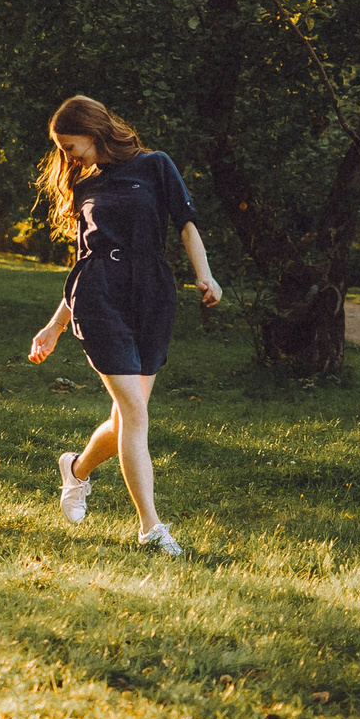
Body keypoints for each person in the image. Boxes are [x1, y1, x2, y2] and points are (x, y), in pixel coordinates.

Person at [26, 96, 221, 553]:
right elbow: (82, 263)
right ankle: (151, 528)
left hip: (152, 295)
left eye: (71, 146)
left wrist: (205, 275)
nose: (67, 157)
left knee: (126, 417)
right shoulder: (84, 187)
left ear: (94, 133)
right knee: (135, 413)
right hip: (99, 297)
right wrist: (54, 326)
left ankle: (75, 469)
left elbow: (187, 224)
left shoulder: (155, 166)